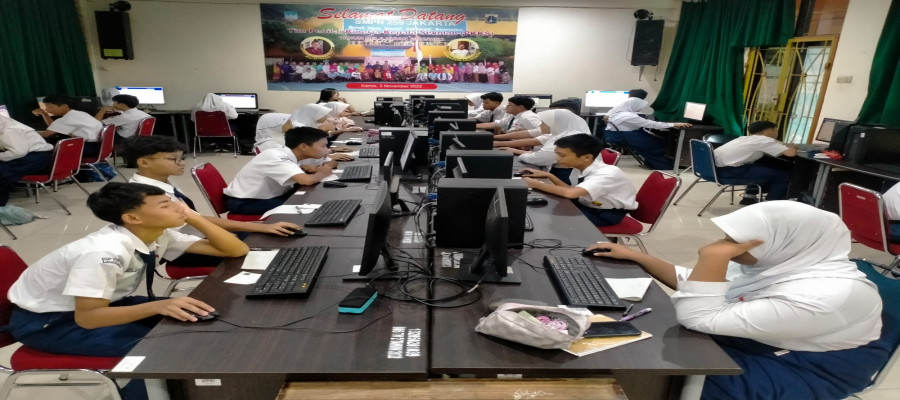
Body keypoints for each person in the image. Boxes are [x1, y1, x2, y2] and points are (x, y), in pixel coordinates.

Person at [585, 201, 890, 400]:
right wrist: (639, 257)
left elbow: (699, 317)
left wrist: (713, 257)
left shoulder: (826, 294)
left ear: (786, 241)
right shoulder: (784, 260)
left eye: (735, 241)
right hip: (769, 337)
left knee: (670, 382)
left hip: (806, 363)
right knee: (647, 351)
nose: (725, 245)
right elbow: (701, 284)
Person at [6, 182, 249, 400]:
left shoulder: (156, 234)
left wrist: (194, 218)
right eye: (166, 205)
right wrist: (159, 305)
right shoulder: (102, 252)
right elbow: (88, 318)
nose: (178, 207)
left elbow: (236, 250)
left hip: (104, 306)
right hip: (51, 324)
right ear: (132, 218)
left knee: (203, 318)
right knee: (158, 347)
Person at [123, 135, 300, 239]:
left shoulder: (164, 182)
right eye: (173, 159)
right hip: (188, 246)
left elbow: (196, 219)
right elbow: (193, 223)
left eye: (182, 158)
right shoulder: (145, 195)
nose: (182, 163)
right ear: (144, 162)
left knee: (276, 233)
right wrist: (261, 227)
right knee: (271, 240)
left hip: (199, 233)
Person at [519, 134, 637, 227]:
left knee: (546, 220)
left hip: (605, 214)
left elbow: (570, 193)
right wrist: (548, 175)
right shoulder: (579, 167)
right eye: (557, 154)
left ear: (587, 157)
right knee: (541, 210)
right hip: (589, 205)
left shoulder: (607, 174)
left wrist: (536, 184)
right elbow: (571, 190)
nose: (557, 159)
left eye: (562, 155)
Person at [223, 127, 333, 215]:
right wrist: (322, 174)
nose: (326, 149)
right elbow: (306, 180)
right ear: (303, 146)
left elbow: (330, 163)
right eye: (323, 146)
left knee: (310, 198)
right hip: (246, 202)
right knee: (307, 205)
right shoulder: (277, 156)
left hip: (261, 197)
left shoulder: (292, 154)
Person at [714, 120, 797, 203]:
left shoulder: (744, 138)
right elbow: (791, 153)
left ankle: (749, 198)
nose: (777, 134)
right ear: (769, 131)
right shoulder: (764, 140)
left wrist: (780, 143)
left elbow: (774, 143)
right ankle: (770, 203)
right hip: (727, 172)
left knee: (761, 165)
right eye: (776, 131)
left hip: (714, 170)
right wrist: (793, 147)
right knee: (784, 174)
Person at [603, 96, 690, 170]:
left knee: (657, 140)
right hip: (627, 137)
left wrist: (647, 132)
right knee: (660, 143)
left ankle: (651, 162)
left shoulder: (616, 114)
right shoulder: (629, 116)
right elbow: (651, 124)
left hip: (616, 136)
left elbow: (632, 126)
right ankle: (663, 165)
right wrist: (674, 124)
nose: (639, 109)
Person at [0, 115, 54, 208]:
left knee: (2, 172)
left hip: (35, 158)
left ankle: (1, 206)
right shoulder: (6, 125)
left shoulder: (9, 130)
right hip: (36, 156)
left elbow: (19, 152)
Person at [31, 94, 103, 156]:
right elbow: (54, 127)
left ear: (64, 106)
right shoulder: (80, 113)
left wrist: (28, 132)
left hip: (88, 147)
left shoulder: (66, 119)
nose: (46, 110)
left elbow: (46, 134)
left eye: (50, 107)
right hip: (99, 145)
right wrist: (44, 114)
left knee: (49, 150)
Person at [476, 95, 541, 134]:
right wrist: (473, 126)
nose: (506, 106)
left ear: (520, 107)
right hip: (510, 140)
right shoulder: (512, 115)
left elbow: (540, 133)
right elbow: (497, 124)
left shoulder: (529, 118)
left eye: (510, 105)